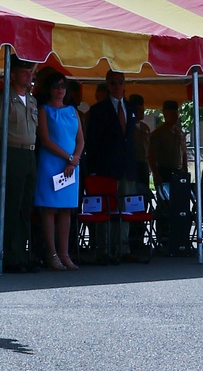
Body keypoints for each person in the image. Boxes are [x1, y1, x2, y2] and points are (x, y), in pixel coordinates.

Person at [83, 70, 137, 261]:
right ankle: (103, 249)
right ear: (108, 85)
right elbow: (92, 142)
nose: (116, 86)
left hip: (126, 167)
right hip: (106, 167)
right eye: (113, 83)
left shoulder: (131, 109)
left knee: (125, 207)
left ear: (124, 85)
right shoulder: (99, 110)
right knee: (105, 208)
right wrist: (94, 169)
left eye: (119, 82)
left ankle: (123, 248)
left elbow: (131, 141)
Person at [33, 73, 84, 271]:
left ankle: (65, 254)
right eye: (55, 86)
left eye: (63, 85)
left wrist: (75, 159)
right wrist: (69, 158)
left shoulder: (73, 111)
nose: (60, 89)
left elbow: (80, 140)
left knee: (66, 209)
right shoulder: (43, 110)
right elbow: (45, 140)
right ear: (49, 89)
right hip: (52, 163)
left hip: (71, 166)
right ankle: (52, 254)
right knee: (48, 208)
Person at [3, 57, 39, 273]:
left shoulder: (32, 101)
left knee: (26, 207)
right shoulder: (6, 99)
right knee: (12, 206)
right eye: (24, 70)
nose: (29, 74)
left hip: (30, 154)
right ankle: (8, 254)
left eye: (30, 70)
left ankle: (20, 254)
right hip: (12, 152)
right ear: (13, 74)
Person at [148, 100, 188, 187]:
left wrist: (185, 171)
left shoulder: (179, 133)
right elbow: (151, 156)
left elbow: (184, 152)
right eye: (172, 114)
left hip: (178, 172)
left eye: (176, 113)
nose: (175, 116)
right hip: (164, 172)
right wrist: (156, 175)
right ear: (165, 114)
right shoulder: (158, 134)